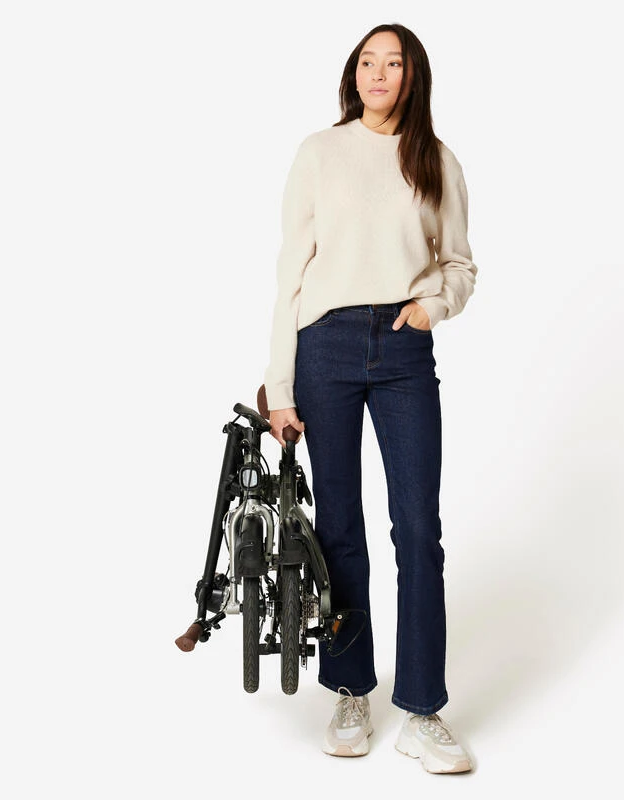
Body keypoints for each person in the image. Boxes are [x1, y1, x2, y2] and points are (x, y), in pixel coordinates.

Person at [263, 23, 478, 774]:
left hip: (403, 346)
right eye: (367, 61)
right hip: (324, 345)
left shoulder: (435, 160)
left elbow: (460, 264)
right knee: (340, 526)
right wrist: (280, 384)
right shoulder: (319, 153)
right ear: (353, 74)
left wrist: (431, 308)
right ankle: (351, 690)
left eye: (393, 63)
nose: (378, 73)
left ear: (413, 77)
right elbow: (291, 272)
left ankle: (422, 709)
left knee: (418, 528)